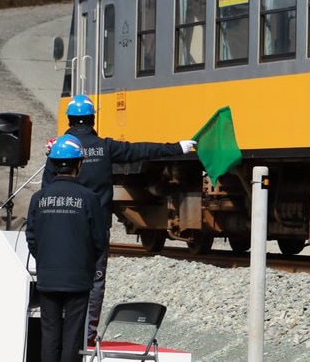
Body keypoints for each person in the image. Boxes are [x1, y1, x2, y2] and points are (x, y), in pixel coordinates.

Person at [43, 93, 196, 346]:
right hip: (96, 229)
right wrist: (177, 147)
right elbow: (141, 150)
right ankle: (87, 336)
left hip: (64, 230)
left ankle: (62, 336)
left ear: (69, 119)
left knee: (62, 279)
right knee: (95, 281)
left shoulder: (58, 153)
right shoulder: (105, 147)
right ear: (92, 119)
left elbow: (47, 191)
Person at [27, 134, 108, 362]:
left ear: (52, 164)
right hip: (78, 279)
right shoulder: (89, 198)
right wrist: (85, 263)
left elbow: (32, 238)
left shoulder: (38, 198)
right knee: (72, 338)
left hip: (48, 278)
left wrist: (44, 260)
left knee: (49, 335)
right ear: (79, 164)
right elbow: (100, 241)